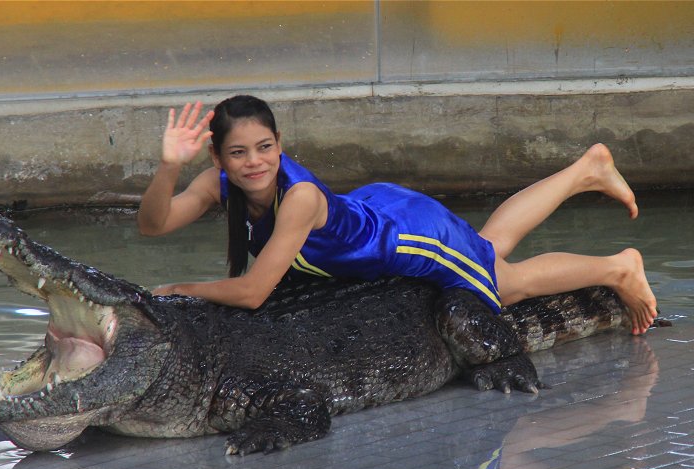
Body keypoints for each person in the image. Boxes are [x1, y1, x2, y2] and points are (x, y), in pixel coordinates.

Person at [138, 95, 657, 335]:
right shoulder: (217, 184)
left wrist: (182, 290)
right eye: (238, 153)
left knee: (502, 283)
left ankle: (619, 266)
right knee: (484, 245)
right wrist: (167, 167)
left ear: (280, 144)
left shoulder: (297, 200)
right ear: (217, 158)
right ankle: (587, 170)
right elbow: (153, 225)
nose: (254, 162)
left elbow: (253, 293)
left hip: (404, 235)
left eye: (265, 147)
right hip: (376, 209)